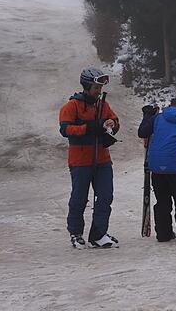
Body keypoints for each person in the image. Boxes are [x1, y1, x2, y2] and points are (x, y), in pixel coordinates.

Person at [59, 67, 120, 249]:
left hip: (102, 160)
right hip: (80, 161)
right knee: (79, 198)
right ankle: (76, 233)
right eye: (96, 88)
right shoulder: (71, 106)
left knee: (105, 196)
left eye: (100, 89)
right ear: (87, 86)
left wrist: (112, 125)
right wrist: (89, 127)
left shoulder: (103, 105)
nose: (99, 92)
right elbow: (65, 130)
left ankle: (98, 234)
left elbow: (115, 120)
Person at [138, 97, 176, 243]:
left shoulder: (157, 118)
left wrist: (147, 116)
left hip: (156, 167)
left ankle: (163, 234)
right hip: (174, 168)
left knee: (162, 201)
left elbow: (142, 132)